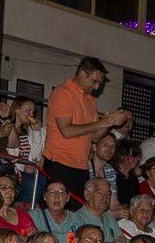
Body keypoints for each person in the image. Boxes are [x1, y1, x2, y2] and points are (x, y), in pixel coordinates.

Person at [41, 57, 129, 206]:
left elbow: (94, 137)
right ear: (83, 73)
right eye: (95, 82)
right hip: (59, 163)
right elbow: (67, 131)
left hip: (81, 165)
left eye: (99, 84)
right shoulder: (62, 93)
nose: (96, 87)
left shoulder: (90, 101)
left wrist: (109, 124)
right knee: (56, 210)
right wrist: (102, 122)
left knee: (76, 212)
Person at [0, 97, 46, 204]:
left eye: (33, 111)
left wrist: (36, 132)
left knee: (42, 179)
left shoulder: (28, 131)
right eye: (28, 110)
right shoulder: (6, 126)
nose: (31, 114)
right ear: (16, 109)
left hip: (25, 171)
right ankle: (22, 208)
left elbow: (36, 155)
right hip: (10, 170)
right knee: (30, 183)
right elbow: (11, 149)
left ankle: (31, 208)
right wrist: (22, 167)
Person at [70, 178, 129, 243]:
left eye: (108, 194)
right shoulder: (73, 219)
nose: (105, 198)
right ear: (87, 195)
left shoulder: (109, 218)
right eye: (99, 193)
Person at [0, 173, 39, 239]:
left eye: (12, 188)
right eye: (3, 188)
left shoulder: (22, 214)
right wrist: (24, 239)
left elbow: (35, 240)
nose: (10, 192)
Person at [110, 140, 143, 217]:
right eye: (134, 155)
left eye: (138, 156)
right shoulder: (111, 174)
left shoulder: (133, 178)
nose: (138, 159)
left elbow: (137, 200)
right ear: (122, 156)